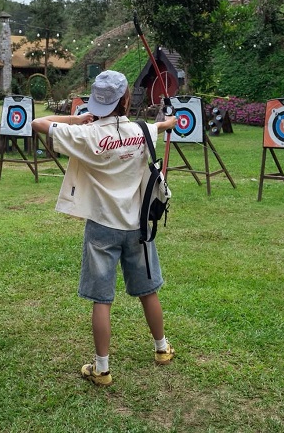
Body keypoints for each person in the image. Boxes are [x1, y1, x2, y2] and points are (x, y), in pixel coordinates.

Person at [31, 70, 178, 387]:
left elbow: (38, 124)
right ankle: (162, 348)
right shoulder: (142, 130)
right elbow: (162, 127)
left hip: (101, 227)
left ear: (96, 102)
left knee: (103, 299)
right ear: (126, 99)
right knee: (148, 290)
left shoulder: (87, 135)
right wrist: (169, 122)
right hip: (138, 226)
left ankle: (102, 369)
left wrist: (79, 120)